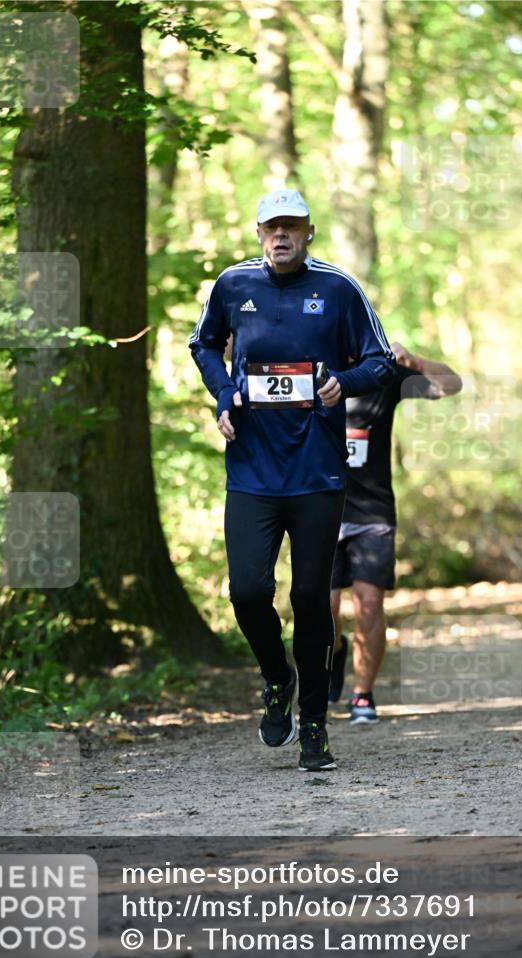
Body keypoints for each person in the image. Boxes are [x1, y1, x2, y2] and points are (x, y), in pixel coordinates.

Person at [189, 188, 398, 771]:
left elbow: (380, 360)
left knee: (312, 599)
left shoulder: (338, 289)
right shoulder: (233, 286)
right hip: (252, 469)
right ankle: (276, 677)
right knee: (248, 592)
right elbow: (201, 344)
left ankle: (313, 726)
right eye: (271, 227)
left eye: (292, 227)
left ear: (309, 233)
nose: (281, 236)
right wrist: (225, 395)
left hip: (317, 472)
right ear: (259, 234)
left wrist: (344, 383)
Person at [329, 341, 462, 722]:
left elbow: (452, 384)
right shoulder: (313, 363)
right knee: (326, 610)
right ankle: (334, 649)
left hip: (372, 511)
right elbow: (237, 354)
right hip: (321, 508)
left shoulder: (384, 372)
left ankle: (362, 695)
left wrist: (416, 361)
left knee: (369, 604)